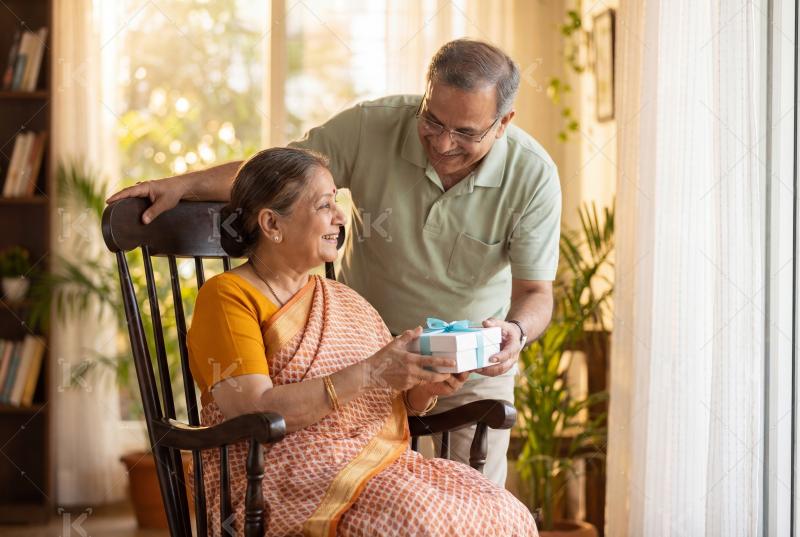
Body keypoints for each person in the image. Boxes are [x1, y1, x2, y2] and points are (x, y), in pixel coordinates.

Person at [108, 38, 561, 487]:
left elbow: (535, 293)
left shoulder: (533, 176)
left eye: (465, 132)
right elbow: (279, 179)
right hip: (353, 363)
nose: (442, 143)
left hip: (463, 374)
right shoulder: (371, 126)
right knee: (393, 497)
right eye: (432, 120)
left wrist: (515, 332)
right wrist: (183, 185)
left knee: (472, 505)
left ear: (503, 124)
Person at [185, 146, 538, 536]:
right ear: (271, 223)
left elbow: (386, 400)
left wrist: (426, 388)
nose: (340, 216)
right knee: (419, 522)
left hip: (379, 466)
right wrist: (373, 370)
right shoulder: (227, 297)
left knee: (504, 512)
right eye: (324, 205)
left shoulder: (344, 299)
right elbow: (252, 409)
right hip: (283, 480)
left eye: (337, 201)